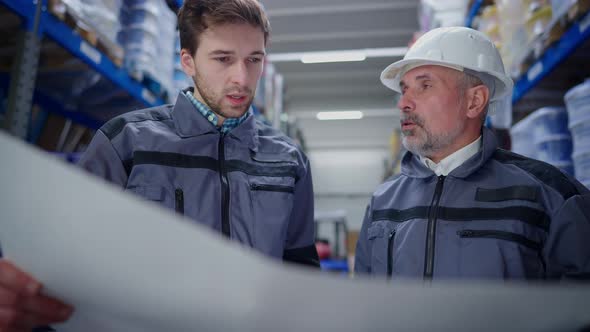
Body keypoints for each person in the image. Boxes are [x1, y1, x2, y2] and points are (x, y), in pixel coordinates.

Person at [0, 0, 319, 328]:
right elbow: (64, 272)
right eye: (223, 59)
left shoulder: (288, 161)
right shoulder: (125, 143)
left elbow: (301, 277)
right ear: (188, 61)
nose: (241, 77)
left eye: (254, 60)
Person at [354, 26, 590, 280]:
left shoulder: (552, 197)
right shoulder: (383, 201)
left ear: (475, 101)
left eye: (424, 86)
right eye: (404, 89)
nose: (404, 103)